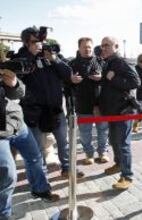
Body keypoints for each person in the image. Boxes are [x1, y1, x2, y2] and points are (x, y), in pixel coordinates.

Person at [14, 26, 84, 179]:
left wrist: (54, 59)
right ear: (26, 43)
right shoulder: (20, 58)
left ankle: (68, 168)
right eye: (34, 41)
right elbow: (18, 76)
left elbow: (68, 74)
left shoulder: (50, 56)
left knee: (63, 142)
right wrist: (32, 56)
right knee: (36, 148)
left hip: (55, 109)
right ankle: (41, 177)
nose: (39, 44)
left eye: (40, 40)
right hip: (34, 112)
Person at [0, 69, 59, 219]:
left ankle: (40, 189)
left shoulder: (3, 68)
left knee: (35, 157)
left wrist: (13, 84)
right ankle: (4, 214)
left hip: (17, 124)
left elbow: (20, 93)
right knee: (8, 175)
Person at [99, 36, 140, 189]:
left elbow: (136, 82)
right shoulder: (107, 62)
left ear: (116, 46)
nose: (103, 48)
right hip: (112, 110)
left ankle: (127, 176)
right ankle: (118, 165)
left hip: (123, 110)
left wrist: (114, 78)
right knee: (114, 141)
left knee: (123, 144)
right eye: (102, 45)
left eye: (107, 45)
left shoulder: (121, 62)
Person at [69, 37, 109, 165]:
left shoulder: (101, 62)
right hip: (82, 104)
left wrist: (101, 78)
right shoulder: (72, 64)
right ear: (79, 48)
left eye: (89, 47)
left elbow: (110, 80)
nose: (87, 49)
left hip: (101, 103)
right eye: (84, 47)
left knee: (102, 130)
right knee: (85, 132)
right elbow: (64, 84)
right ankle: (89, 154)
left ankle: (103, 152)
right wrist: (71, 80)